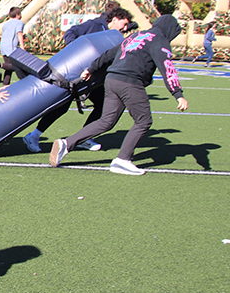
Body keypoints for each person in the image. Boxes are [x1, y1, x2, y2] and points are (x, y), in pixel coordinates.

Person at [49, 15, 188, 175]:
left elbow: (110, 53)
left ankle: (67, 143)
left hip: (112, 79)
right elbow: (167, 67)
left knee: (106, 121)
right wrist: (177, 93)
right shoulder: (159, 41)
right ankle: (123, 160)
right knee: (143, 121)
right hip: (130, 82)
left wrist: (91, 68)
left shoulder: (136, 36)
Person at [20, 6, 132, 153]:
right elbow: (71, 33)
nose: (125, 28)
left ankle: (84, 138)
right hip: (75, 75)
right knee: (62, 106)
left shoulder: (114, 36)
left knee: (102, 105)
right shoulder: (94, 25)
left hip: (93, 78)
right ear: (115, 19)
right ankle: (33, 136)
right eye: (123, 24)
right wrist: (74, 49)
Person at [0, 7, 24, 86]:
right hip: (11, 46)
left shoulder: (6, 24)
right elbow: (19, 33)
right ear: (18, 15)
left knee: (9, 67)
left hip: (3, 46)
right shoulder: (19, 22)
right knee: (18, 66)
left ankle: (5, 85)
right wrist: (22, 46)